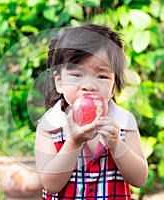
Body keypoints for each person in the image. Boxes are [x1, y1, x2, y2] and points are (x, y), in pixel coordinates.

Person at [34, 24, 148, 200]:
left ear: (113, 87)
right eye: (77, 75)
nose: (89, 85)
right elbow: (50, 184)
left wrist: (117, 144)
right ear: (59, 82)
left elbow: (139, 179)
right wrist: (73, 142)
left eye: (101, 76)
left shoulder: (124, 123)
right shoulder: (51, 125)